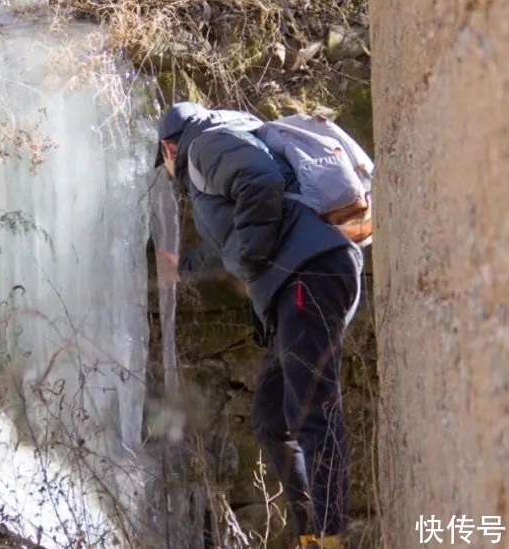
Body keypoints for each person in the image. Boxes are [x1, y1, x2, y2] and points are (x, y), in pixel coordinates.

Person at [153, 102, 363, 549]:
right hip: (301, 277)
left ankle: (330, 538)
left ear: (169, 147)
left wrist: (251, 259)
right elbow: (237, 237)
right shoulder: (222, 148)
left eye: (164, 159)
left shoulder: (206, 145)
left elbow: (260, 184)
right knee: (271, 419)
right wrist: (184, 265)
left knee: (313, 409)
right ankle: (310, 531)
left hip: (309, 272)